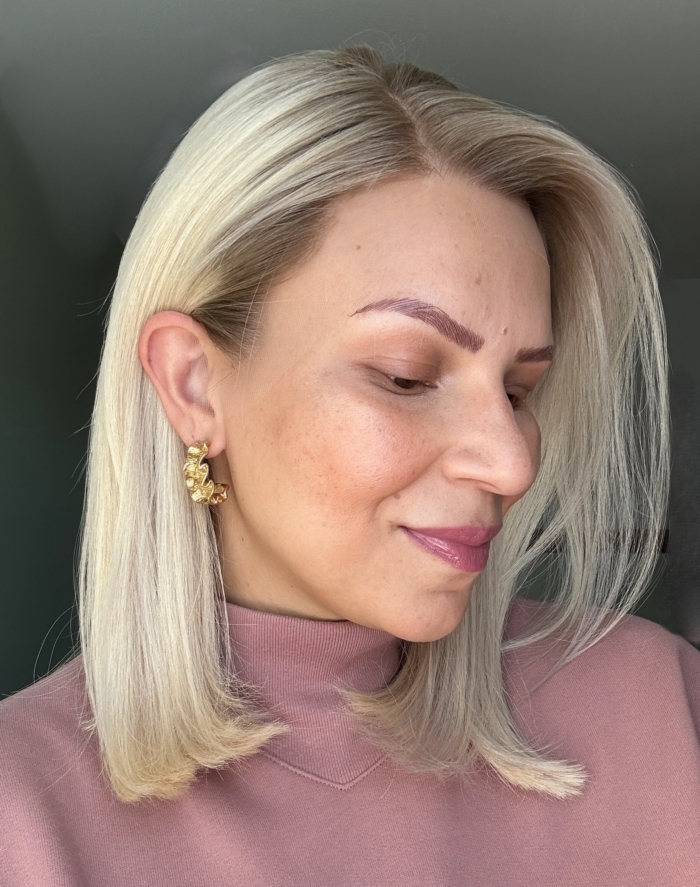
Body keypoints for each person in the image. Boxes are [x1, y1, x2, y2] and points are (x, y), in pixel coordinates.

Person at [1, 44, 697, 885]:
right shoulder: (23, 816)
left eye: (518, 391)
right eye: (406, 376)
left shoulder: (665, 711)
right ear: (194, 385)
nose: (512, 465)